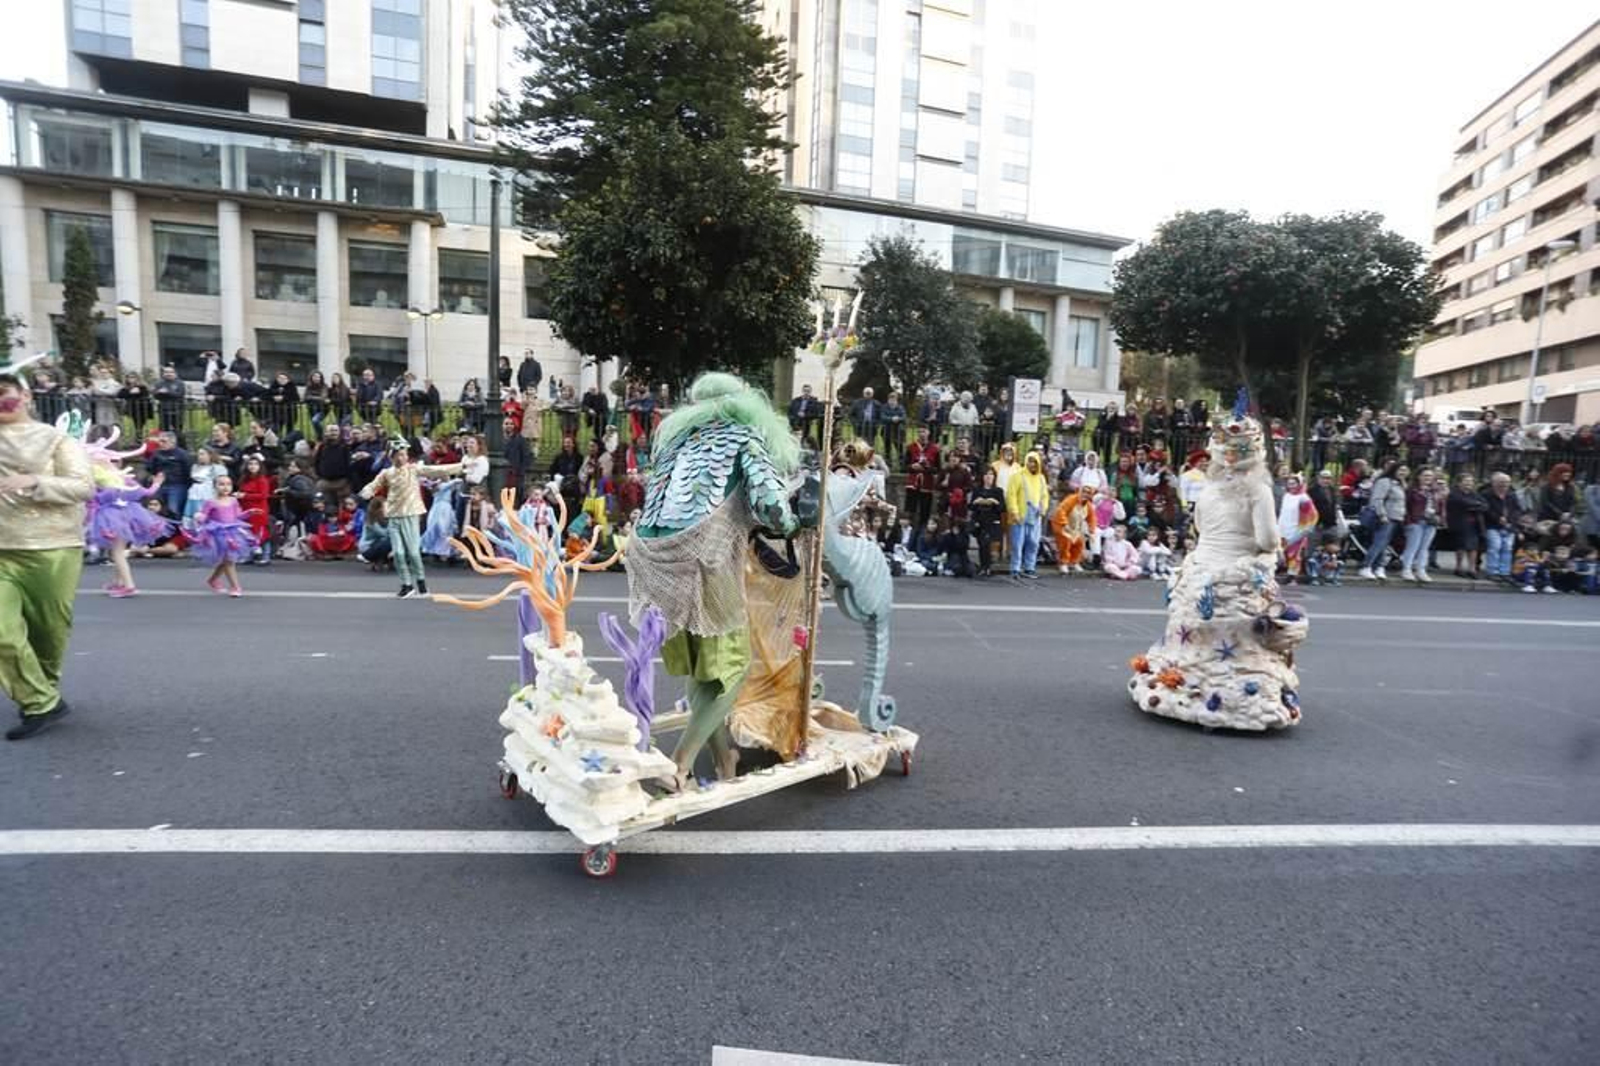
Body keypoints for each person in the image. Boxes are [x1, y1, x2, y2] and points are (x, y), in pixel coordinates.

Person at [0, 374, 94, 739]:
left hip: (51, 547)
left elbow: (83, 487)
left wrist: (35, 482)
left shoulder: (55, 438)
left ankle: (41, 693)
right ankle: (40, 702)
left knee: (47, 634)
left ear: (24, 396)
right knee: (2, 633)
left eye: (3, 394)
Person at [359, 440, 464, 598]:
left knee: (414, 553)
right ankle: (406, 585)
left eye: (403, 455)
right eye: (398, 455)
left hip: (411, 514)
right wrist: (366, 491)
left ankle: (421, 583)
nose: (401, 458)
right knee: (399, 553)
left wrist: (460, 467)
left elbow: (435, 470)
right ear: (391, 457)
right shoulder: (387, 473)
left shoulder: (413, 469)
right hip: (394, 515)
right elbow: (374, 485)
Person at [191, 474, 254, 597]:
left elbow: (238, 516)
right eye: (221, 484)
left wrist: (249, 512)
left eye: (228, 484)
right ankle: (236, 587)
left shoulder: (233, 500)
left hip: (233, 533)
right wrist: (199, 517)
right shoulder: (210, 502)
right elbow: (204, 517)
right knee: (229, 560)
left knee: (227, 560)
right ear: (215, 487)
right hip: (218, 534)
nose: (225, 487)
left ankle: (213, 580)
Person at [1357, 461, 1407, 581]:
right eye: (1401, 470)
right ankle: (1366, 566)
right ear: (1394, 470)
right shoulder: (1384, 482)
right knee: (1379, 543)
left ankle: (1378, 567)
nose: (1403, 473)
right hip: (1385, 517)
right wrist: (1382, 514)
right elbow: (1377, 499)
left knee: (1384, 544)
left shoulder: (1400, 484)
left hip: (1396, 517)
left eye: (1405, 471)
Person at [1004, 449, 1048, 580]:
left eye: (1035, 462)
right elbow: (1011, 495)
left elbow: (1044, 496)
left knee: (1033, 543)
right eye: (1030, 461)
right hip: (1021, 514)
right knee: (1018, 543)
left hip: (1035, 515)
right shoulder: (1017, 476)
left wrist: (1043, 509)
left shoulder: (1041, 478)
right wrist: (1014, 512)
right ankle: (1015, 568)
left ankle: (1029, 567)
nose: (1032, 465)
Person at [1398, 467, 1444, 583]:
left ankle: (1421, 570)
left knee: (1424, 548)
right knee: (1412, 546)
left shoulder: (1435, 491)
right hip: (1416, 521)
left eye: (1430, 476)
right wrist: (1409, 521)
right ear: (1418, 477)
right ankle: (1407, 569)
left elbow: (1440, 506)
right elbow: (1406, 506)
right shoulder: (1412, 490)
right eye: (1425, 475)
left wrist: (1439, 517)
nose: (1428, 478)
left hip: (1430, 522)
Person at [1446, 472, 1488, 578]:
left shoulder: (1475, 494)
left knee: (1473, 547)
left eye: (1470, 481)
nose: (1468, 483)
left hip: (1474, 524)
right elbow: (1462, 503)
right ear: (1459, 483)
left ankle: (1472, 569)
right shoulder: (1454, 494)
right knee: (1461, 546)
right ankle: (1458, 567)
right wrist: (1475, 505)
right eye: (1466, 481)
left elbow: (1485, 506)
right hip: (1460, 524)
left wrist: (1474, 505)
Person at [1277, 474, 1317, 584]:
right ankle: (1285, 573)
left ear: (1299, 484)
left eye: (1294, 483)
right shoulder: (1286, 496)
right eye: (1289, 484)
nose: (1291, 486)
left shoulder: (1304, 498)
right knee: (1283, 553)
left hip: (1297, 530)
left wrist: (1305, 529)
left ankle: (1292, 576)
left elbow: (1312, 515)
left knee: (1294, 555)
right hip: (1283, 528)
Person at [1483, 471, 1522, 581]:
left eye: (1507, 482)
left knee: (1507, 548)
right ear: (1494, 482)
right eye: (1501, 482)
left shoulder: (1511, 494)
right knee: (1495, 547)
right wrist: (1497, 518)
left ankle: (1504, 572)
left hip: (1509, 526)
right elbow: (1485, 509)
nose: (1504, 484)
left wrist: (1510, 520)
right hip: (1492, 525)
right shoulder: (1487, 494)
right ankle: (1492, 571)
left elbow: (1517, 510)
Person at [145, 430, 193, 519]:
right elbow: (149, 468)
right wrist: (154, 476)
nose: (161, 444)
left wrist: (186, 485)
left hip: (177, 486)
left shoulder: (182, 454)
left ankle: (175, 531)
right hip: (160, 485)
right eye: (160, 441)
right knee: (156, 508)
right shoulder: (156, 453)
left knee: (173, 509)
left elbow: (188, 470)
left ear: (173, 442)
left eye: (164, 441)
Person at [1052, 484, 1096, 574]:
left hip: (1075, 528)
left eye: (1088, 493)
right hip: (1062, 526)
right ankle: (1063, 563)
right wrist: (1064, 524)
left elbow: (1092, 518)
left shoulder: (1088, 505)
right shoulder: (1071, 500)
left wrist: (1091, 531)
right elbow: (1061, 511)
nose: (1085, 494)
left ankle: (1074, 562)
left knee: (1080, 543)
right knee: (1066, 542)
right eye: (1083, 491)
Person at [969, 469, 1005, 577]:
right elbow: (971, 506)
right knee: (981, 544)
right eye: (986, 474)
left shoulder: (998, 491)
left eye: (991, 474)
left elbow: (1002, 508)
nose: (988, 477)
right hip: (980, 520)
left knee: (989, 543)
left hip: (993, 520)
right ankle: (983, 566)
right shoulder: (977, 490)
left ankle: (988, 566)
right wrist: (976, 502)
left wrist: (994, 502)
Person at [880, 391, 906, 465]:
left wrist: (898, 419)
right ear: (888, 399)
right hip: (886, 430)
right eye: (891, 399)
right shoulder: (884, 407)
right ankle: (888, 462)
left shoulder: (900, 407)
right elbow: (882, 417)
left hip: (898, 431)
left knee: (899, 447)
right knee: (887, 447)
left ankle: (902, 463)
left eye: (894, 399)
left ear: (896, 400)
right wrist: (891, 419)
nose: (892, 401)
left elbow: (903, 417)